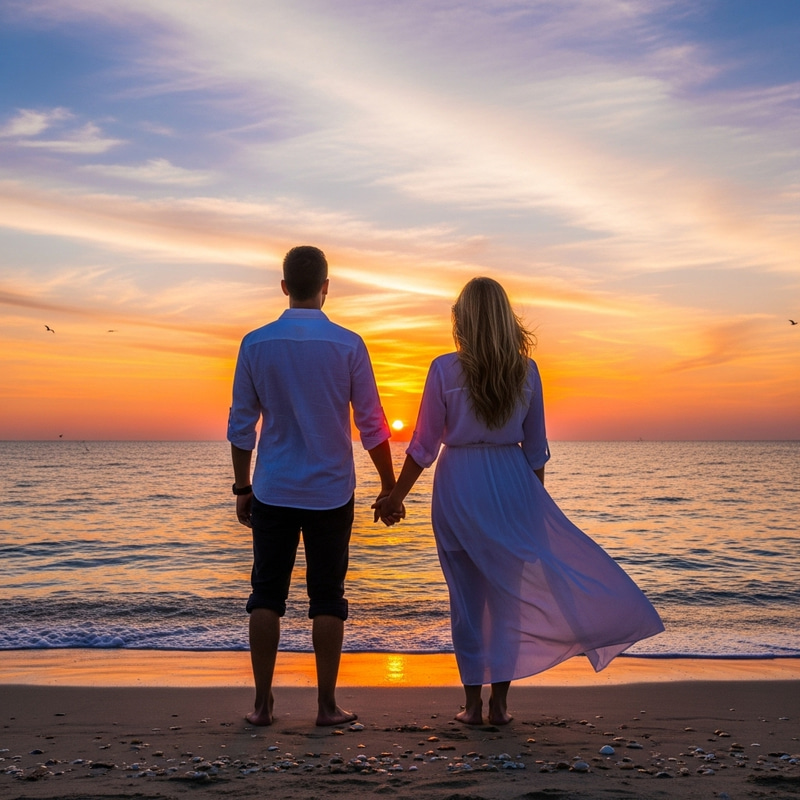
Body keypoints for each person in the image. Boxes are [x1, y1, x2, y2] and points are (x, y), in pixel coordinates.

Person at [375, 277, 664, 726]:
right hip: (512, 483)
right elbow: (535, 452)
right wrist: (534, 512)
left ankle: (472, 706)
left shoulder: (444, 369)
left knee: (467, 601)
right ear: (506, 319)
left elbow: (424, 446)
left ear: (463, 320)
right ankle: (500, 706)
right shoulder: (526, 371)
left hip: (459, 484)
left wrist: (395, 496)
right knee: (506, 599)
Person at [228, 245, 397, 727]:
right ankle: (326, 706)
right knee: (327, 596)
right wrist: (389, 486)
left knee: (266, 594)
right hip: (330, 491)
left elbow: (241, 425)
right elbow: (372, 424)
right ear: (326, 287)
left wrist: (242, 487)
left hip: (274, 487)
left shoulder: (255, 343)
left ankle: (262, 705)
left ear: (284, 286)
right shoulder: (348, 344)